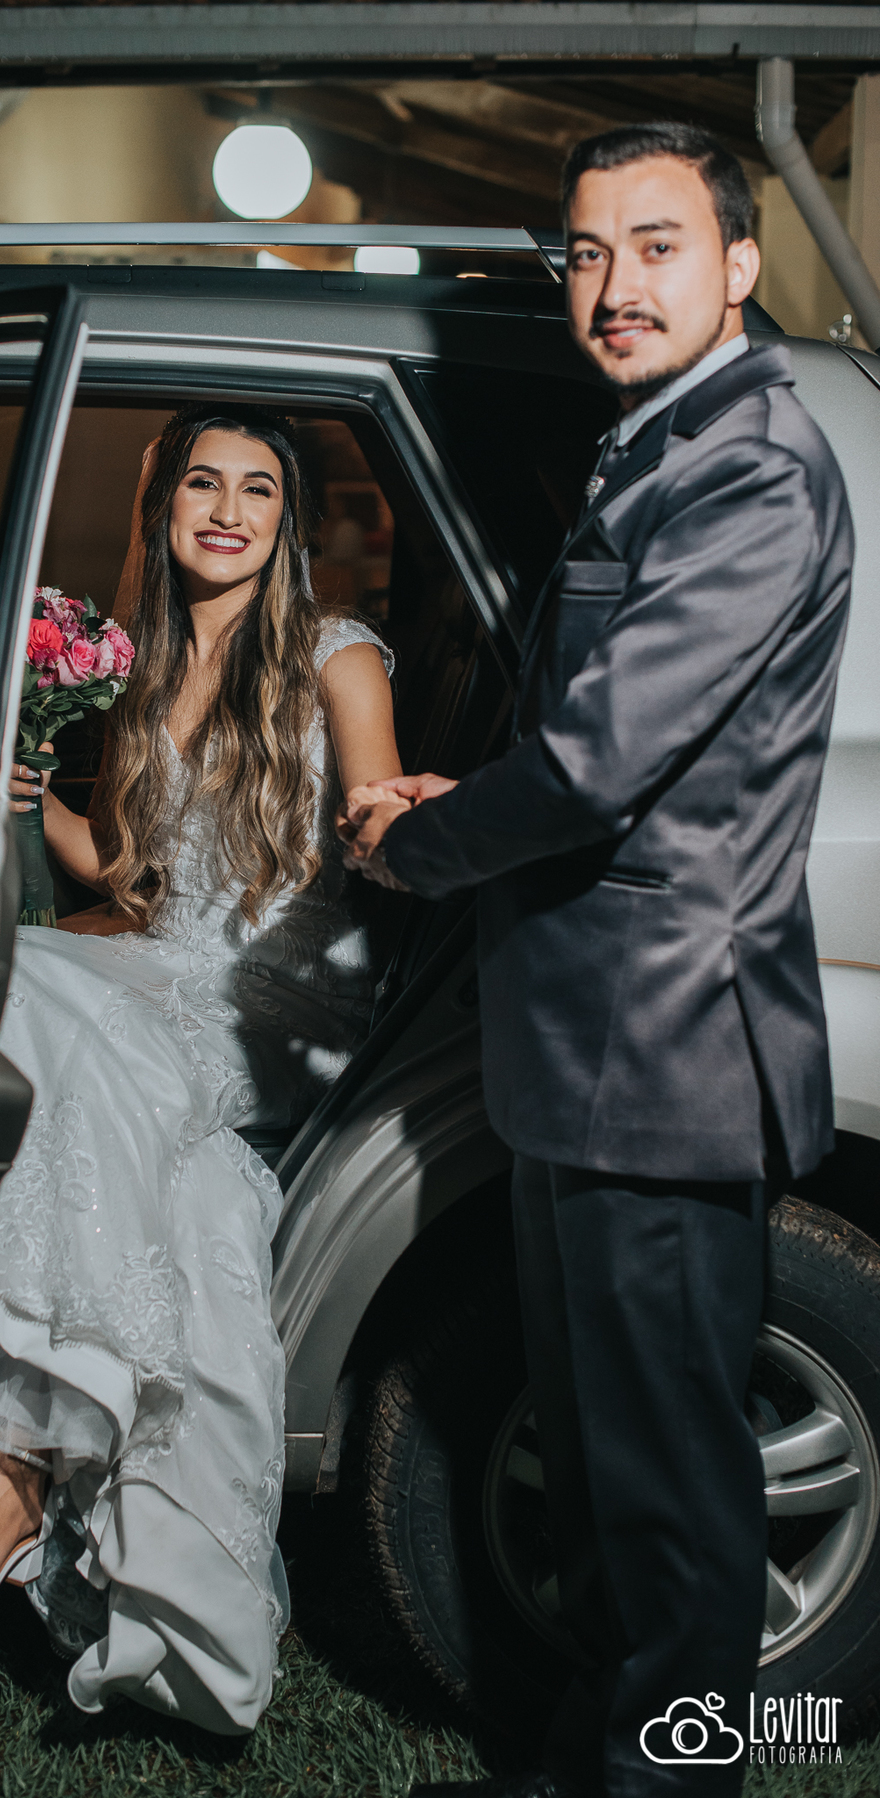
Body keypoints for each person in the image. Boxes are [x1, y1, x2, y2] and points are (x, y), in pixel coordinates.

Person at [341, 124, 853, 1798]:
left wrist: (416, 839)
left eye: (652, 244)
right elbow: (582, 731)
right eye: (584, 252)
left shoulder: (753, 463)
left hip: (662, 1059)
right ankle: (586, 1770)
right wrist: (460, 786)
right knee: (613, 1472)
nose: (611, 285)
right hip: (589, 1057)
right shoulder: (661, 437)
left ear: (737, 263)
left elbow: (594, 766)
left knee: (671, 1500)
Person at [0, 403, 402, 1735]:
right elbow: (128, 873)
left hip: (280, 1001)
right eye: (203, 485)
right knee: (9, 988)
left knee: (55, 1006)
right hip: (160, 966)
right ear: (163, 508)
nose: (229, 509)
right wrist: (25, 800)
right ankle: (48, 1459)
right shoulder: (147, 665)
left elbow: (381, 803)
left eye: (260, 490)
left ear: (287, 523)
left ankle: (16, 1464)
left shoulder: (339, 656)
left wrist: (401, 810)